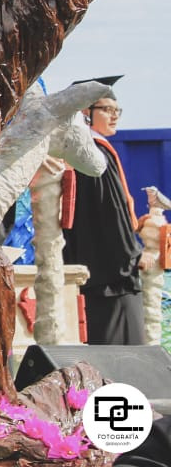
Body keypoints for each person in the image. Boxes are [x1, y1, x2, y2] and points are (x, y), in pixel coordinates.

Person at [63, 76, 145, 345]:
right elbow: (110, 213)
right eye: (107, 109)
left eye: (117, 110)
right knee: (123, 350)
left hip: (91, 269)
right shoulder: (93, 155)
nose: (114, 116)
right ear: (85, 112)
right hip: (112, 275)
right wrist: (132, 254)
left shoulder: (79, 150)